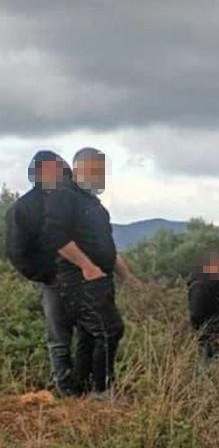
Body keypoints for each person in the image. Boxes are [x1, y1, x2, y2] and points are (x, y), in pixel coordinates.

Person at [40, 147, 132, 396]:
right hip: (80, 279)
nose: (101, 176)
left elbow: (107, 247)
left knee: (90, 334)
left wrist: (128, 277)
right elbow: (55, 236)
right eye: (97, 170)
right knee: (109, 329)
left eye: (103, 171)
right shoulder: (63, 195)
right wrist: (87, 266)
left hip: (100, 278)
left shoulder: (93, 203)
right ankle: (102, 392)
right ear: (80, 168)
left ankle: (84, 390)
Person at [7, 151, 78, 392]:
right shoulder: (25, 208)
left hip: (87, 280)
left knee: (95, 333)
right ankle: (68, 391)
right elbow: (18, 252)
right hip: (54, 281)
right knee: (59, 339)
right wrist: (49, 275)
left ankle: (93, 387)